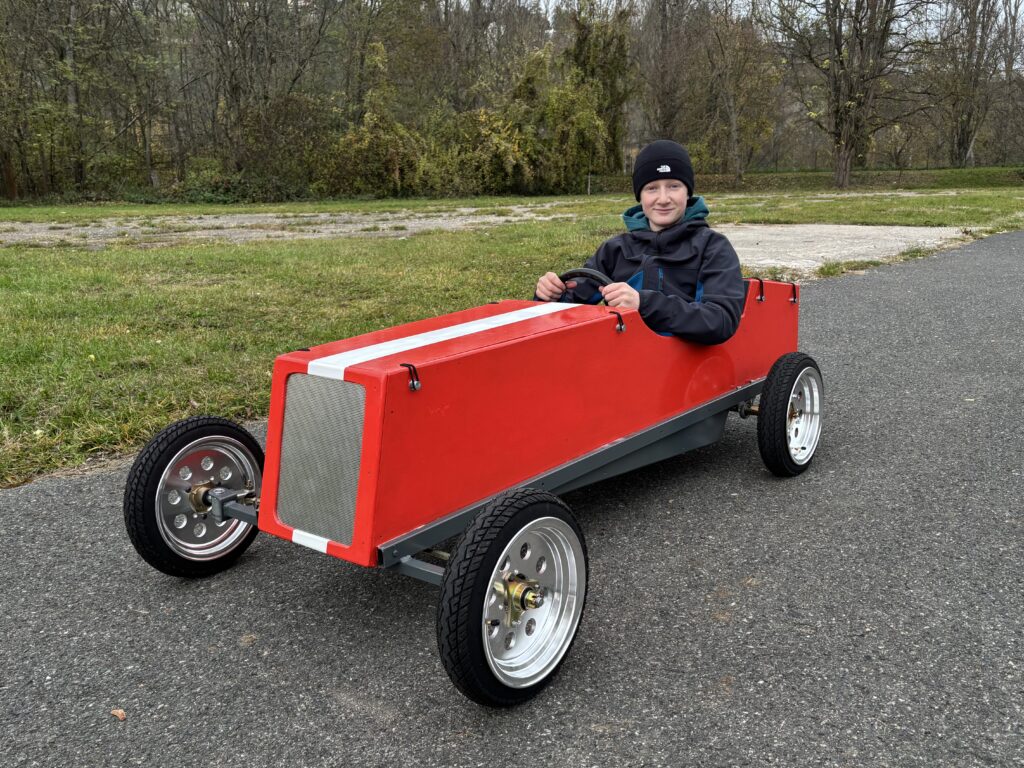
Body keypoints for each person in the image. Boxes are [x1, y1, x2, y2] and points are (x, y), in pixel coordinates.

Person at [535, 140, 746, 344]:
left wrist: (643, 304)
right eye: (652, 188)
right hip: (623, 356)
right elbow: (569, 308)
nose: (663, 198)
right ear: (640, 195)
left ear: (688, 192)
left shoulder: (713, 247)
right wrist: (550, 295)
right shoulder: (616, 249)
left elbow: (721, 320)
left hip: (687, 363)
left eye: (674, 186)